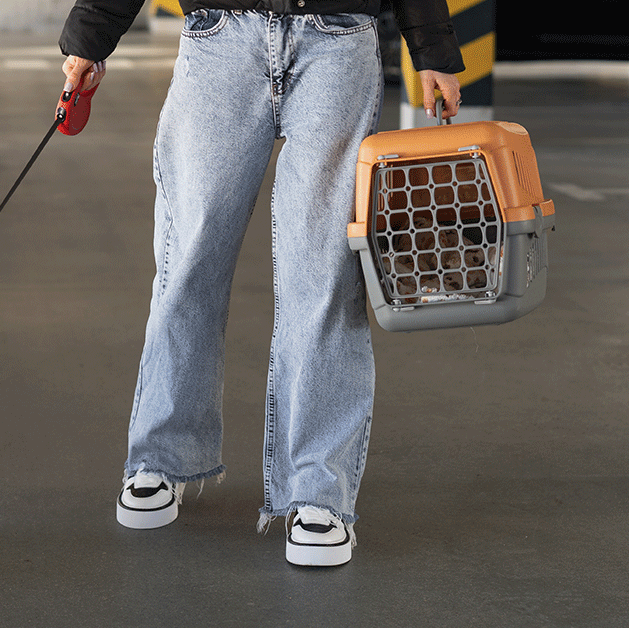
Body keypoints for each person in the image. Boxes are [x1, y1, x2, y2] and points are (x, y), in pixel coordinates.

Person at [58, 0, 464, 567]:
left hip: (337, 38)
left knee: (323, 271)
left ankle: (318, 492)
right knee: (188, 259)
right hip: (220, 34)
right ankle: (161, 457)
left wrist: (433, 50)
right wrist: (90, 37)